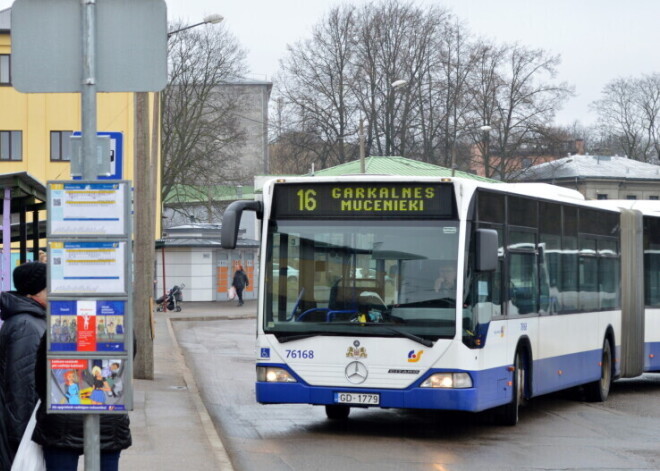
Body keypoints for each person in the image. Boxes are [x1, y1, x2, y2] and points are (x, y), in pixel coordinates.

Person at [0, 261, 48, 470]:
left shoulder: (31, 319)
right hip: (22, 430)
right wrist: (23, 439)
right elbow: (22, 388)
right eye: (49, 287)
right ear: (34, 293)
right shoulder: (26, 325)